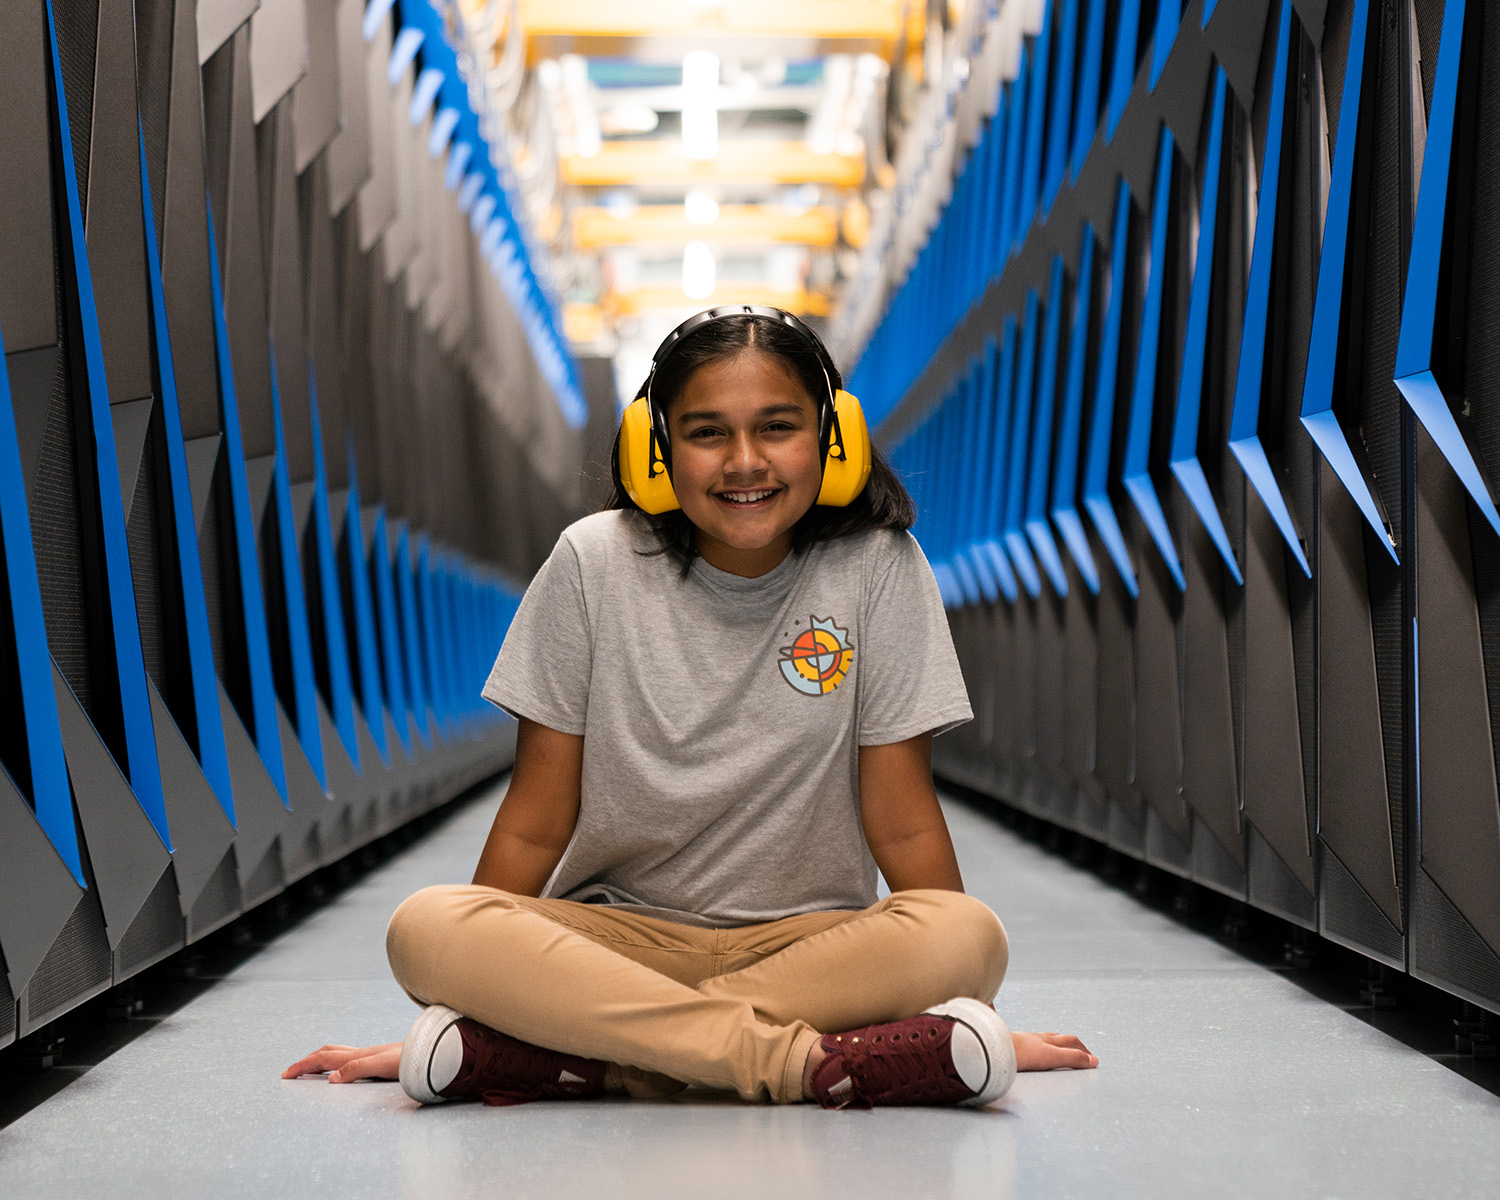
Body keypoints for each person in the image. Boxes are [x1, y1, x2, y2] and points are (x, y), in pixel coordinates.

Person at [283, 306, 1096, 1109]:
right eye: (707, 433)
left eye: (778, 426)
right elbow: (535, 818)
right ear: (657, 449)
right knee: (428, 926)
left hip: (812, 943)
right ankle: (798, 1062)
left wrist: (969, 1002)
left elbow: (906, 822)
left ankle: (599, 1060)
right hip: (615, 943)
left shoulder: (879, 566)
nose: (745, 462)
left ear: (832, 438)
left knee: (966, 936)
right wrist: (460, 1001)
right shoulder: (592, 563)